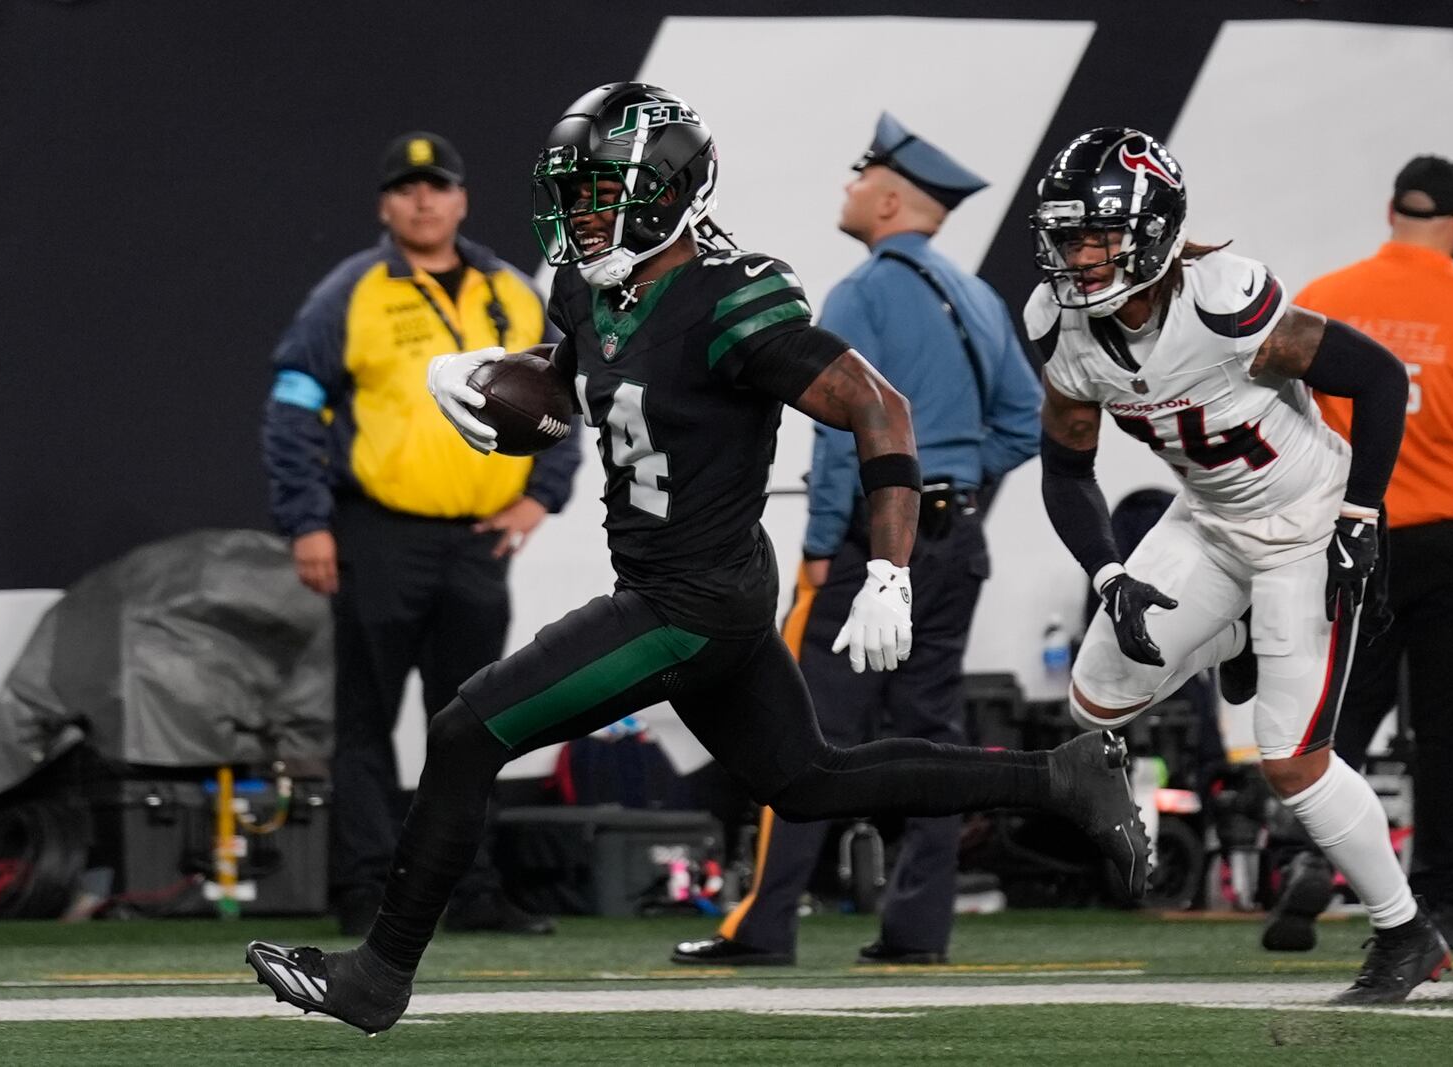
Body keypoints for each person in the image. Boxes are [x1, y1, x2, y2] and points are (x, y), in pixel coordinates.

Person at [245, 83, 1149, 1036]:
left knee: (470, 729)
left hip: (692, 599)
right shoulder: (590, 289)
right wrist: (505, 390)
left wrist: (887, 570)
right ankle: (1063, 776)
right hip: (692, 583)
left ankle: (377, 977)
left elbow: (880, 408)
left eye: (603, 194)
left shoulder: (733, 296)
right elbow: (589, 380)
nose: (583, 215)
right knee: (807, 781)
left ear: (669, 193)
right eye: (575, 194)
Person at [1027, 126, 1452, 1005]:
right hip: (1210, 519)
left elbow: (1375, 379)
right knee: (1095, 696)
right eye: (1066, 236)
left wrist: (1360, 512)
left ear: (1151, 228)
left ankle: (1406, 931)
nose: (1077, 257)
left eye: (1094, 235)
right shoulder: (1062, 329)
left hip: (1303, 523)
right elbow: (1067, 470)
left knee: (1291, 762)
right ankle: (1235, 639)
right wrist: (1109, 574)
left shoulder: (1224, 302)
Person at [672, 114, 1041, 968]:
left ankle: (764, 924)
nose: (844, 190)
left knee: (798, 732)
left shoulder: (858, 294)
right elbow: (1023, 423)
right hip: (957, 543)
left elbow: (846, 434)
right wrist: (948, 481)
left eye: (855, 177)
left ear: (886, 197)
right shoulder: (981, 296)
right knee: (933, 735)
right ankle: (919, 932)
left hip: (865, 548)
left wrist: (821, 540)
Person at [261, 130, 581, 938]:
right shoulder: (353, 291)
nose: (424, 200)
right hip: (379, 536)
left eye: (437, 185)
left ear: (463, 198)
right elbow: (293, 406)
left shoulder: (510, 290)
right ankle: (366, 889)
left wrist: (541, 495)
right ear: (385, 205)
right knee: (366, 721)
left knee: (476, 720)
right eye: (407, 188)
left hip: (477, 541)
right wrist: (307, 521)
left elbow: (565, 396)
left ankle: (470, 890)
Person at [1261, 155, 1453, 954]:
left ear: (1391, 209)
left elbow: (1279, 419)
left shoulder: (1327, 299)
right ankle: (1442, 898)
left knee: (1335, 710)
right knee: (1450, 731)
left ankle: (1303, 855)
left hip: (1349, 531)